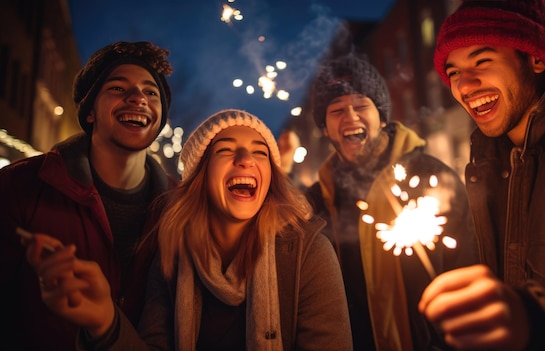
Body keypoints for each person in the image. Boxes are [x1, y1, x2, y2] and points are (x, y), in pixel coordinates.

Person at [31, 109, 353, 350]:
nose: (245, 159)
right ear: (199, 175)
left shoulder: (309, 254)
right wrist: (104, 320)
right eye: (226, 149)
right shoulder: (172, 254)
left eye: (260, 152)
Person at [418, 0, 545, 350]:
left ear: (536, 57)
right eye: (453, 73)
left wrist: (539, 316)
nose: (465, 86)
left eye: (482, 61)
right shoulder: (487, 163)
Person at [0, 41, 178, 350]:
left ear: (159, 117)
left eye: (151, 92)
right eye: (118, 88)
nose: (137, 98)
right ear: (90, 111)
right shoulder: (20, 186)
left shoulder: (181, 206)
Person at [307, 54, 478, 350]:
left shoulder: (432, 177)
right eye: (336, 110)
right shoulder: (315, 202)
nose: (350, 117)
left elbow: (469, 273)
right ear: (324, 127)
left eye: (361, 105)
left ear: (382, 117)